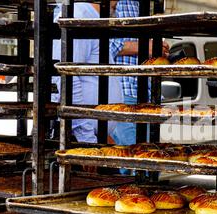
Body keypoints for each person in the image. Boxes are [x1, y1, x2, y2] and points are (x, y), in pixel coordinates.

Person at [52, 2, 123, 144]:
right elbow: (66, 79)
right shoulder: (80, 16)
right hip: (75, 137)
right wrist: (86, 137)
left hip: (90, 135)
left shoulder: (91, 19)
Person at [110, 0, 169, 146]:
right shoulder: (115, 4)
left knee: (146, 152)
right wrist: (145, 47)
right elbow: (107, 45)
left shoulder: (136, 4)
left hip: (143, 90)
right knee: (132, 154)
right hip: (124, 90)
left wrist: (156, 46)